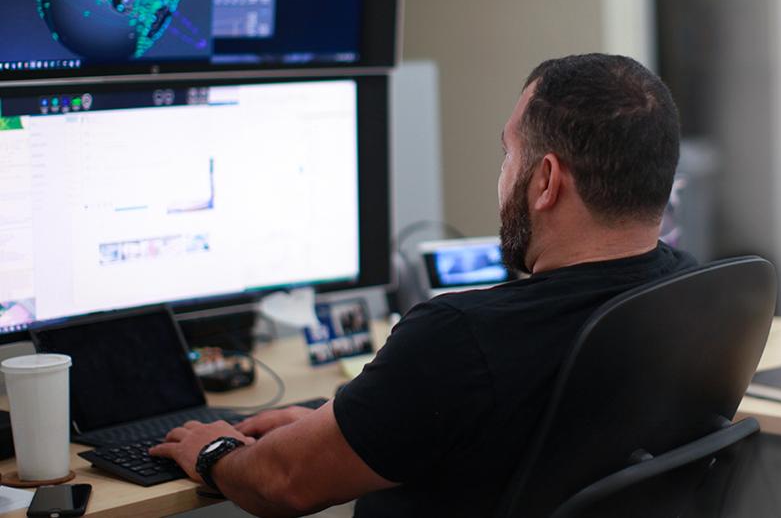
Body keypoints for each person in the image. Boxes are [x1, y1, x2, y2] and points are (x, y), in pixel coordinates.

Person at [151, 54, 696, 517]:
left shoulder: (461, 337)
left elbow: (281, 482)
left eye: (509, 153)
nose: (504, 172)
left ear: (546, 180)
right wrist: (354, 423)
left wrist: (213, 447)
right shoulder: (690, 293)